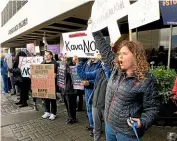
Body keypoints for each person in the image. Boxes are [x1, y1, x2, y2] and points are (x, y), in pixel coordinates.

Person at [90, 19, 160, 141]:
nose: (119, 56)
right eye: (119, 53)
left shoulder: (147, 80)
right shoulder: (116, 69)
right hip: (109, 126)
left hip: (127, 133)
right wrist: (94, 30)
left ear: (135, 57)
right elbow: (105, 50)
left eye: (124, 54)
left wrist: (142, 122)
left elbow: (152, 109)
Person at [74, 55, 111, 141]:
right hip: (96, 102)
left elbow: (109, 80)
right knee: (96, 128)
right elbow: (83, 75)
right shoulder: (98, 71)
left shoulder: (113, 73)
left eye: (104, 60)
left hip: (107, 104)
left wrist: (105, 64)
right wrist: (78, 64)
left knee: (108, 128)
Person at [76, 57, 102, 137]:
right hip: (87, 90)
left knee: (95, 110)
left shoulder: (101, 63)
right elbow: (83, 75)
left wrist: (89, 83)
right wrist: (78, 63)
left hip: (96, 90)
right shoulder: (87, 62)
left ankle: (96, 129)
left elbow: (102, 80)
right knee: (89, 109)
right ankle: (92, 125)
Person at [41, 51, 58, 120]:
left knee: (52, 98)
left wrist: (56, 75)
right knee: (45, 98)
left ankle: (53, 113)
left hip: (52, 84)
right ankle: (47, 111)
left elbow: (59, 73)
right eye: (45, 55)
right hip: (44, 83)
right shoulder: (42, 63)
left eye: (48, 55)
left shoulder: (55, 64)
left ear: (51, 56)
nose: (46, 56)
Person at [61, 57, 78, 124]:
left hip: (70, 89)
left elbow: (67, 74)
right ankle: (70, 117)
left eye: (64, 59)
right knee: (68, 104)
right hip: (65, 89)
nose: (62, 59)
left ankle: (72, 118)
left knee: (71, 105)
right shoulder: (64, 66)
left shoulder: (71, 67)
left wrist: (65, 67)